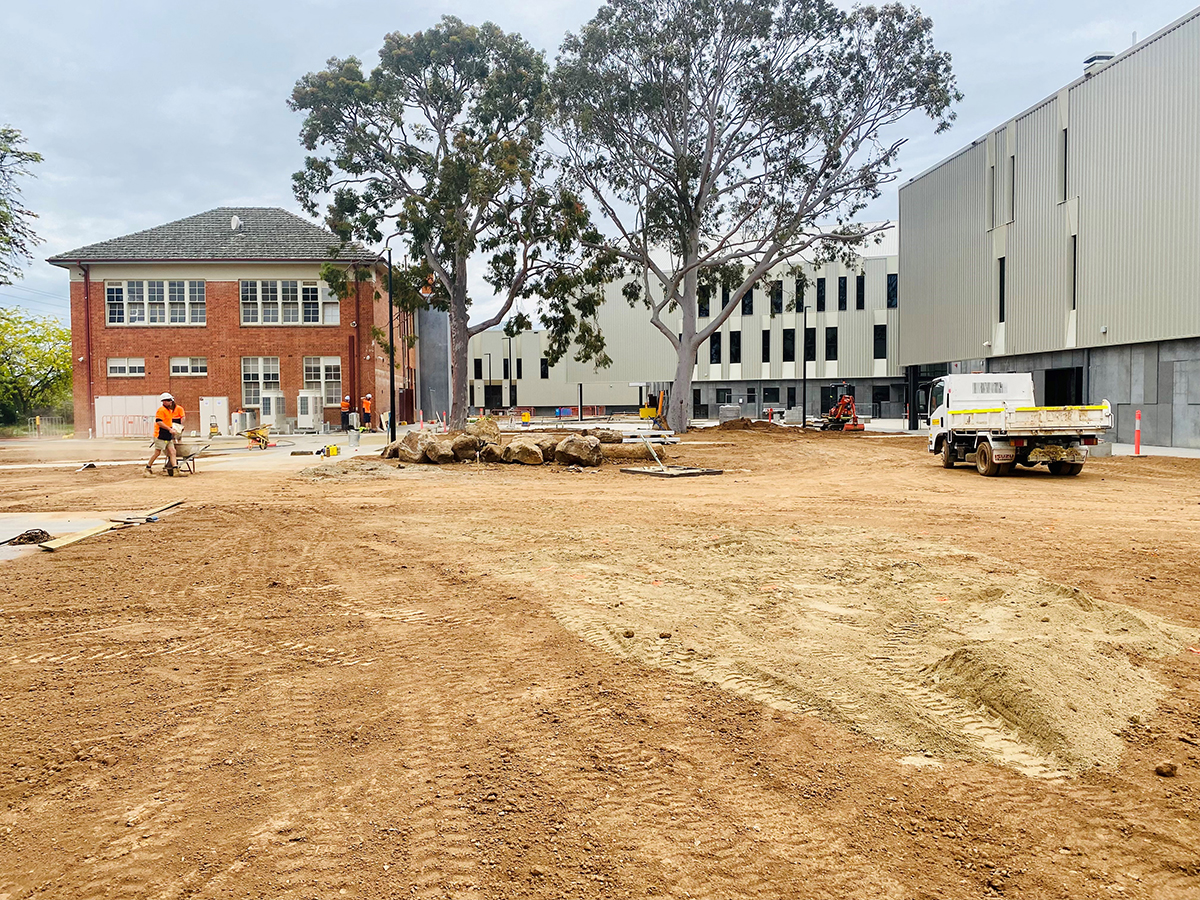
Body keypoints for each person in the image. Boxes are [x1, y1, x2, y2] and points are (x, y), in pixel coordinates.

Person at [147, 392, 178, 475]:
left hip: (167, 435)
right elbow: (159, 422)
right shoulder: (161, 410)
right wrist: (169, 429)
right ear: (164, 401)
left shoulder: (169, 411)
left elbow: (168, 422)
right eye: (169, 400)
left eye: (171, 400)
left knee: (172, 451)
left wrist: (172, 429)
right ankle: (148, 467)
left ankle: (175, 469)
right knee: (157, 453)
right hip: (160, 435)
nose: (171, 402)